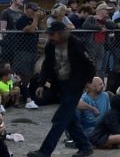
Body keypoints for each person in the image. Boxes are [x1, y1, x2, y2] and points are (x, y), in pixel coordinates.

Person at [26, 24, 95, 157]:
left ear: (61, 33)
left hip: (75, 85)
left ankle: (45, 151)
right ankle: (85, 147)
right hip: (60, 85)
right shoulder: (51, 46)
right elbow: (47, 65)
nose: (50, 37)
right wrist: (41, 83)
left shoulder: (75, 43)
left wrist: (88, 81)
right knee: (70, 118)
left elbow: (89, 63)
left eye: (53, 34)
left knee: (60, 119)